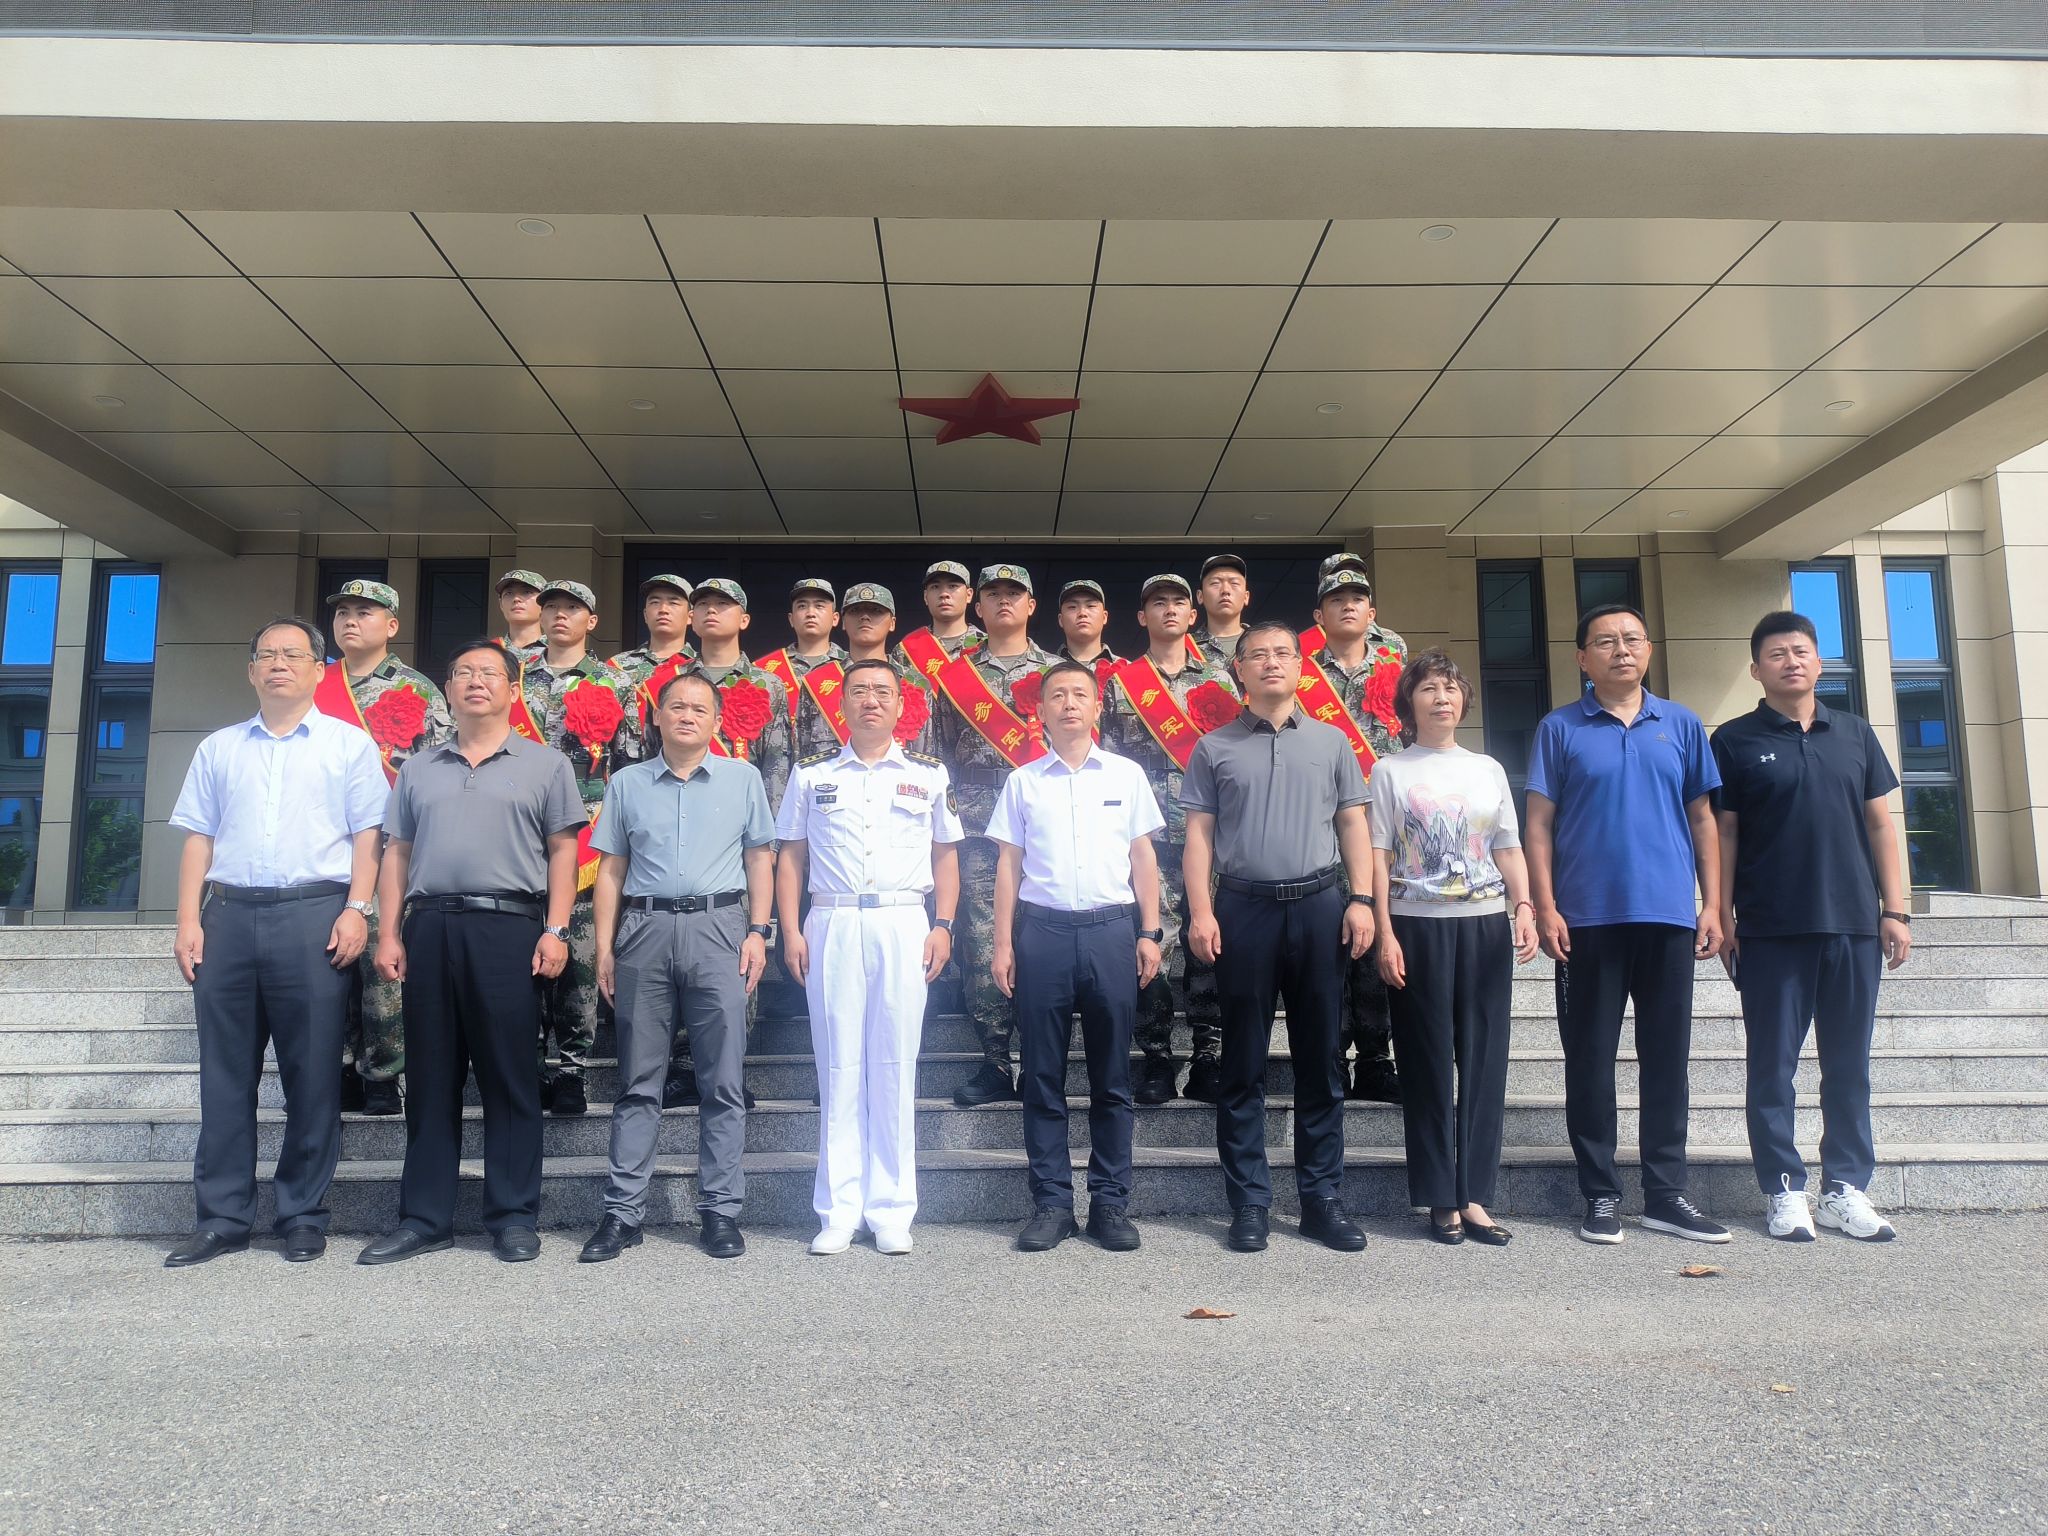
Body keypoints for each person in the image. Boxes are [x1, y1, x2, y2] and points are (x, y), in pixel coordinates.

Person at [163, 617, 388, 1267]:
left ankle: (301, 1215)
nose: (279, 664)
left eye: (293, 654)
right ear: (251, 670)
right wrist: (187, 920)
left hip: (314, 915)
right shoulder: (220, 748)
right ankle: (222, 1218)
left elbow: (369, 837)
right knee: (224, 1075)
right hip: (228, 917)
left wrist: (357, 910)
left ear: (320, 670)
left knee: (312, 1074)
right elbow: (199, 838)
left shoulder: (348, 745)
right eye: (266, 655)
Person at [359, 638, 584, 1265]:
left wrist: (556, 928)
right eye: (462, 673)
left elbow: (564, 852)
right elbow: (397, 853)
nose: (475, 681)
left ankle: (513, 1216)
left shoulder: (546, 765)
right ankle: (424, 1217)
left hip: (510, 928)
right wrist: (389, 932)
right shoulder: (419, 768)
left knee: (510, 1075)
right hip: (430, 927)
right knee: (431, 1076)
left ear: (513, 688)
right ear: (449, 690)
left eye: (489, 672)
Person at [1526, 602, 1727, 1246]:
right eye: (1606, 641)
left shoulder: (1682, 723)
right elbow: (1538, 826)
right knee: (1589, 1061)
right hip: (1586, 920)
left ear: (1649, 650)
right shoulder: (1559, 728)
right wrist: (1546, 906)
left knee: (1667, 1060)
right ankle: (1602, 1194)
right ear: (1582, 658)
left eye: (1633, 639)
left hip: (1667, 915)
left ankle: (1667, 1195)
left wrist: (1712, 904)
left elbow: (1703, 820)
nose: (1621, 650)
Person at [1713, 611, 1912, 1243]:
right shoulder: (1734, 741)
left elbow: (1880, 823)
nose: (1791, 661)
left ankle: (1844, 1188)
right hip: (1770, 928)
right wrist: (1722, 913)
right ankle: (1783, 1188)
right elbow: (1725, 833)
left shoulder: (1854, 733)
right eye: (1776, 654)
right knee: (1772, 1068)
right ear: (1756, 670)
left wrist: (1895, 908)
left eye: (1801, 651)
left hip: (1853, 925)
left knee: (1848, 1066)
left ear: (1819, 662)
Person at [1182, 619, 1374, 1255]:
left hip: (1319, 906)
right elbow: (1199, 836)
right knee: (1242, 1062)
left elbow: (1352, 824)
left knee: (1322, 1058)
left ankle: (1322, 1199)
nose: (1271, 662)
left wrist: (1362, 899)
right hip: (1243, 910)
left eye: (1283, 654)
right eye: (1257, 654)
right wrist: (1202, 912)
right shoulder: (1214, 747)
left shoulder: (1332, 741)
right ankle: (1250, 1202)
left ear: (1299, 666)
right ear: (1237, 668)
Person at [580, 670, 776, 1263]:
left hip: (721, 930)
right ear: (657, 716)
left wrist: (758, 932)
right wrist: (605, 948)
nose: (688, 716)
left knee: (722, 1079)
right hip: (645, 929)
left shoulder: (743, 779)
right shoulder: (627, 783)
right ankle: (623, 1213)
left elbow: (759, 859)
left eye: (700, 709)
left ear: (716, 721)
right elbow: (611, 870)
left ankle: (719, 1210)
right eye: (677, 707)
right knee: (639, 1080)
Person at [776, 659, 963, 1256]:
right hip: (831, 920)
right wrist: (789, 929)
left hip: (903, 921)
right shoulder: (811, 774)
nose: (871, 701)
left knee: (894, 1065)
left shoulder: (928, 775)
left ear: (902, 705)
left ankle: (891, 1210)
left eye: (883, 691)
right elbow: (790, 856)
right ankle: (837, 1210)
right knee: (837, 1066)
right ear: (842, 704)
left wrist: (944, 925)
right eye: (859, 691)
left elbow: (946, 855)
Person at [989, 660, 1164, 1253]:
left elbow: (1143, 859)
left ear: (1096, 707)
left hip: (1112, 931)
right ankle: (1052, 1204)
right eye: (1057, 695)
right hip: (1043, 935)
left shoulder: (1127, 775)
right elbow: (1008, 866)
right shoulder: (1023, 782)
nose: (1068, 704)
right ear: (1039, 710)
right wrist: (1003, 943)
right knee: (1042, 1075)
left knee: (1112, 1077)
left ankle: (1110, 1204)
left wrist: (1150, 931)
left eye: (1079, 695)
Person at [1371, 650, 1539, 1245]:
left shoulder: (1488, 768)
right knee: (1426, 1061)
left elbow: (1507, 846)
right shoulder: (1390, 770)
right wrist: (1385, 930)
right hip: (1416, 925)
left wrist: (1524, 907)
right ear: (1409, 703)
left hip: (1485, 924)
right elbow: (1378, 854)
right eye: (1428, 689)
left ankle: (1474, 1196)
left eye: (1450, 688)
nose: (1441, 698)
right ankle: (1439, 1196)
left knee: (1485, 1061)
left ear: (1463, 699)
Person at [317, 578, 453, 1117]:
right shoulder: (314, 683)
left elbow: (439, 772)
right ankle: (336, 1067)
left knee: (379, 959)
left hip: (390, 845)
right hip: (322, 844)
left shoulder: (416, 690)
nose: (351, 620)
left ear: (392, 625)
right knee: (326, 959)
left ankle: (382, 1072)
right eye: (343, 612)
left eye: (365, 612)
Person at [1101, 573, 1236, 1104]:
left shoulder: (1223, 679)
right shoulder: (1121, 683)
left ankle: (1208, 1059)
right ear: (1142, 617)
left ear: (1193, 613)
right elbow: (1108, 763)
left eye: (1179, 602)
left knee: (1210, 946)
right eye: (1158, 603)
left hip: (1211, 834)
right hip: (1147, 838)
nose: (1170, 610)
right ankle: (1156, 1059)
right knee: (1151, 945)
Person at [928, 563, 1059, 1106]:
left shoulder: (1058, 672)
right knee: (983, 940)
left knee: (1043, 938)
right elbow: (938, 756)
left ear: (1031, 605)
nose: (1004, 601)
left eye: (1015, 593)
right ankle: (996, 1062)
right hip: (978, 826)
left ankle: (1040, 1062)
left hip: (1046, 822)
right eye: (993, 594)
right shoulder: (953, 676)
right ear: (976, 607)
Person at [663, 577, 793, 1107]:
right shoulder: (667, 683)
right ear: (691, 619)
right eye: (703, 605)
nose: (712, 612)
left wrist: (769, 836)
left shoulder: (769, 685)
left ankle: (727, 1067)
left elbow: (778, 762)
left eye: (725, 604)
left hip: (741, 836)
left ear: (745, 618)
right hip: (677, 832)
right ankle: (680, 1067)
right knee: (679, 952)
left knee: (740, 949)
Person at [517, 579, 637, 1118]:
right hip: (518, 830)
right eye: (551, 608)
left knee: (580, 953)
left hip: (587, 832)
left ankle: (571, 1068)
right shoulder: (514, 676)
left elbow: (630, 766)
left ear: (592, 620)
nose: (560, 616)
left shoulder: (616, 682)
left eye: (572, 608)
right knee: (520, 946)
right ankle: (526, 1063)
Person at [1306, 566, 1409, 1103]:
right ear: (1318, 616)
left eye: (1357, 598)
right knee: (1329, 942)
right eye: (1336, 599)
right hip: (1320, 827)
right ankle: (1329, 1055)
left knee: (1375, 939)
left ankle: (1375, 1056)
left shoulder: (1399, 671)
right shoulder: (1301, 674)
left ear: (1372, 612)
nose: (1347, 605)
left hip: (1384, 827)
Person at [758, 577, 851, 761]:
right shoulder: (764, 670)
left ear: (835, 619)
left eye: (819, 606)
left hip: (836, 768)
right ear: (791, 619)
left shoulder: (851, 668)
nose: (810, 613)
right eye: (802, 606)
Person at [841, 580, 934, 754]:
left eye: (876, 611)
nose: (865, 617)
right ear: (843, 622)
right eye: (855, 610)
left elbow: (926, 749)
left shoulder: (915, 681)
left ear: (892, 623)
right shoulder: (820, 680)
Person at [608, 572, 696, 741]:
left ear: (690, 616)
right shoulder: (615, 667)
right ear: (645, 615)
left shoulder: (700, 667)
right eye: (655, 602)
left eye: (673, 603)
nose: (663, 610)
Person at [891, 559, 985, 683]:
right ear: (925, 597)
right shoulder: (906, 649)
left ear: (969, 595)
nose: (944, 594)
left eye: (952, 586)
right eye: (935, 587)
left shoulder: (986, 645)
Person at [1191, 553, 1251, 672]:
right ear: (1200, 596)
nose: (1225, 590)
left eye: (1234, 583)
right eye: (1215, 583)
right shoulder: (1184, 647)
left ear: (1246, 597)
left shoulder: (1264, 644)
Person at [1054, 579, 1122, 677]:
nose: (1082, 613)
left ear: (1104, 617)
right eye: (1072, 607)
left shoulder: (1128, 670)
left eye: (1091, 606)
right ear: (1061, 620)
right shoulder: (1043, 670)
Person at [495, 568, 548, 655]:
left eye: (527, 592)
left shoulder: (558, 650)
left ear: (544, 602)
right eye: (509, 593)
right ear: (501, 604)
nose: (516, 599)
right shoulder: (489, 652)